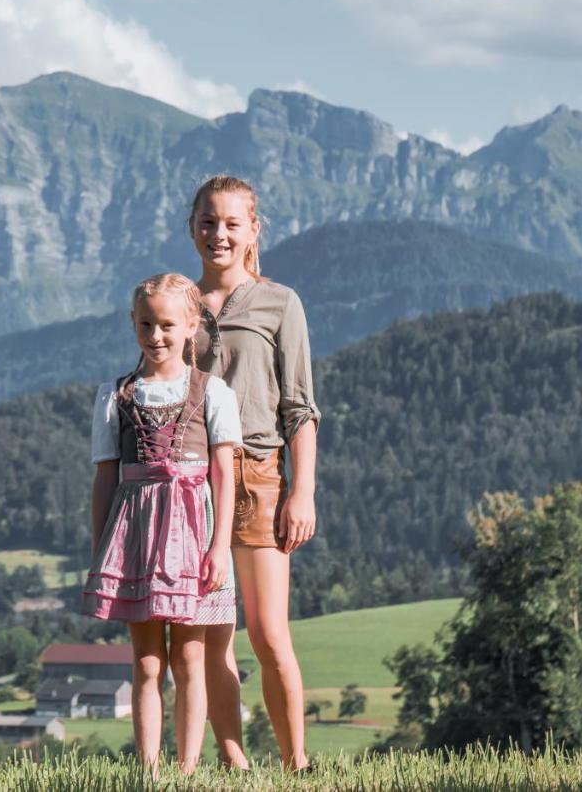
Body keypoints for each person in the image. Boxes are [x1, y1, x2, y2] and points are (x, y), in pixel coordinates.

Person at [81, 272, 242, 774]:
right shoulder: (117, 395)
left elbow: (223, 475)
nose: (156, 335)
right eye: (146, 324)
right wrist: (100, 547)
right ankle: (150, 770)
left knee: (189, 659)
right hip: (137, 537)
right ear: (133, 323)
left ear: (192, 326)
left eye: (168, 325)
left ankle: (188, 768)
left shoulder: (212, 393)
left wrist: (219, 548)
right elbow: (106, 478)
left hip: (194, 536)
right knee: (147, 660)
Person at [189, 175, 320, 771]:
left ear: (252, 231)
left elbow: (300, 408)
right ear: (193, 227)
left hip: (259, 479)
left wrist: (303, 492)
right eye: (209, 222)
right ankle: (234, 763)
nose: (219, 233)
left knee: (268, 635)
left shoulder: (279, 303)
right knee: (215, 634)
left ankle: (297, 764)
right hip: (192, 482)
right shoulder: (178, 306)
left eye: (231, 224)